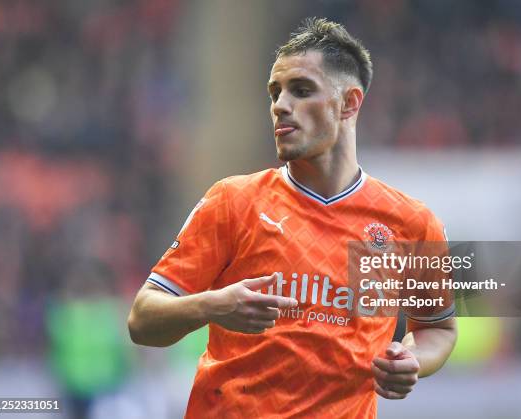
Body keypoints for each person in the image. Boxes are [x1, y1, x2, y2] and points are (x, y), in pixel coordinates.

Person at [128, 17, 457, 418]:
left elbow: (437, 329)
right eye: (275, 92)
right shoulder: (233, 202)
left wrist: (413, 362)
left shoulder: (410, 224)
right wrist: (213, 306)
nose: (281, 105)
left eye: (301, 91)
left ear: (349, 103)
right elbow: (142, 320)